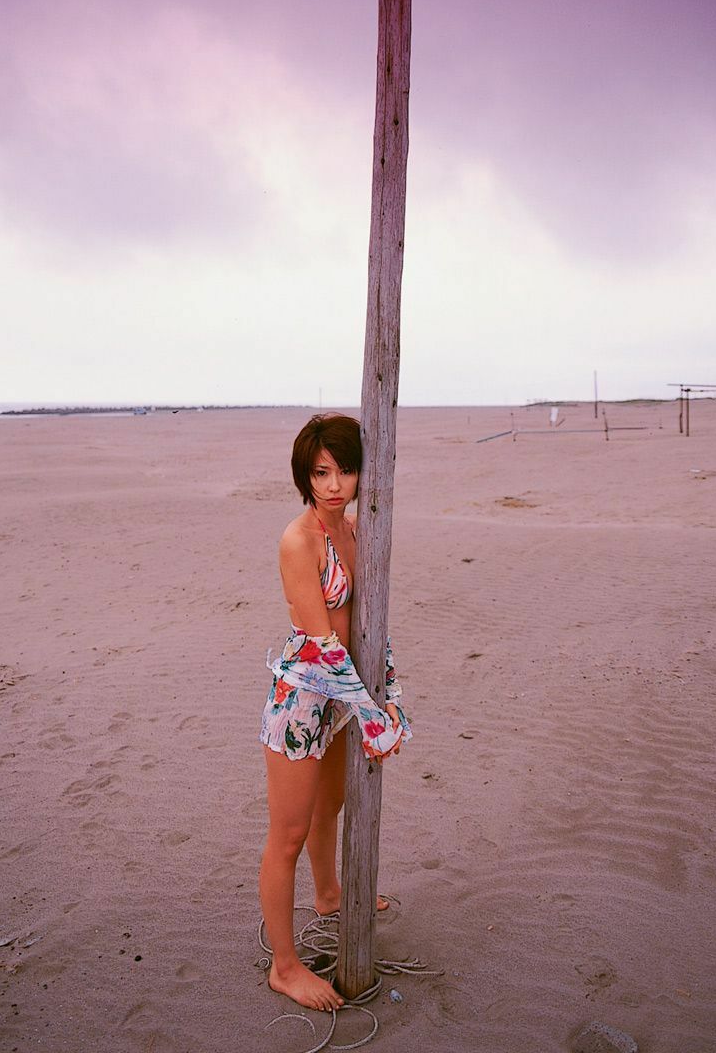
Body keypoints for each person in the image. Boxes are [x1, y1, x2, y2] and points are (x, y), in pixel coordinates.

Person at [258, 413, 411, 1011]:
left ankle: (328, 895)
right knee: (288, 834)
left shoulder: (354, 529)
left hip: (344, 699)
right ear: (305, 475)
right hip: (303, 700)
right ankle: (285, 966)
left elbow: (373, 623)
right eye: (321, 472)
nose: (333, 484)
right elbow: (323, 644)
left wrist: (389, 696)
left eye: (345, 470)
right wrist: (372, 713)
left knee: (331, 808)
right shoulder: (299, 541)